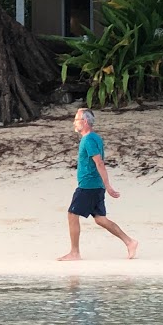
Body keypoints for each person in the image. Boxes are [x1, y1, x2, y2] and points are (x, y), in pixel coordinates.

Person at [58, 108, 139, 261]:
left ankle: (74, 253)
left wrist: (108, 186)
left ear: (85, 122)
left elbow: (99, 163)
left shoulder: (88, 140)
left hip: (89, 185)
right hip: (95, 185)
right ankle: (130, 242)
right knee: (100, 219)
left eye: (77, 120)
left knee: (72, 214)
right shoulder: (95, 138)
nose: (74, 123)